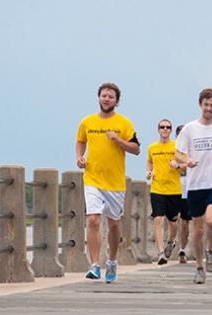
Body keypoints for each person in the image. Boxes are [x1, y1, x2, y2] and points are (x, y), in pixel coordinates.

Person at [75, 82, 140, 283]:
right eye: (104, 95)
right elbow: (81, 141)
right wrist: (80, 156)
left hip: (115, 183)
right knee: (93, 220)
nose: (106, 99)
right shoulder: (87, 122)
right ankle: (94, 265)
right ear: (99, 97)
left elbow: (136, 149)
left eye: (111, 97)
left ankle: (111, 261)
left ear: (116, 101)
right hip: (92, 178)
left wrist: (118, 141)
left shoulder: (124, 123)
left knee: (113, 225)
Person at [175, 88, 212, 284]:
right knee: (198, 230)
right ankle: (200, 266)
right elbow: (177, 154)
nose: (209, 108)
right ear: (200, 104)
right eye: (206, 104)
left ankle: (211, 249)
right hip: (195, 185)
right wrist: (187, 161)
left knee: (211, 221)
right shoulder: (189, 129)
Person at [145, 119, 183, 265]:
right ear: (158, 130)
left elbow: (187, 164)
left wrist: (178, 165)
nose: (165, 129)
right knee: (158, 219)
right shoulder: (152, 147)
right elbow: (149, 161)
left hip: (174, 190)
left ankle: (171, 240)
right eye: (162, 127)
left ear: (171, 130)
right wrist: (149, 172)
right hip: (157, 189)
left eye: (168, 127)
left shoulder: (177, 147)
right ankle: (160, 252)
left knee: (173, 223)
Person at [174, 125, 192, 264]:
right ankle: (170, 242)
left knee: (185, 223)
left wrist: (180, 166)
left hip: (188, 192)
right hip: (172, 190)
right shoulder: (171, 150)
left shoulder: (191, 152)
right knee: (174, 220)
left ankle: (182, 249)